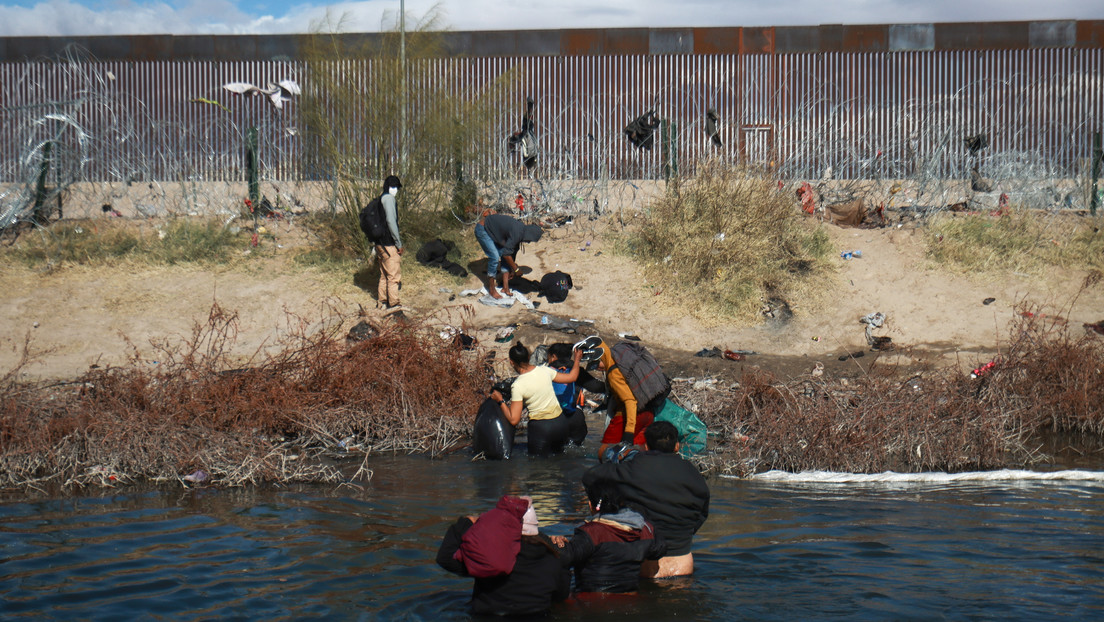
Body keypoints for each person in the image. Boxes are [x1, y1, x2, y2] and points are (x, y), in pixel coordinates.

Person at [582, 421, 710, 578]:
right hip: (683, 566)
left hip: (643, 566)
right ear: (677, 446)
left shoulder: (632, 468)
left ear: (646, 446)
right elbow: (702, 513)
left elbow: (590, 477)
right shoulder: (693, 474)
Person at [437, 495, 570, 616]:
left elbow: (445, 558)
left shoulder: (489, 556)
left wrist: (465, 522)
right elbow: (561, 596)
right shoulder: (553, 559)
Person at [556, 478, 666, 593]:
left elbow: (565, 558)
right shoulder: (645, 529)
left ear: (590, 505)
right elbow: (659, 549)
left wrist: (557, 544)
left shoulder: (591, 533)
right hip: (630, 598)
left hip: (593, 601)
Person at [490, 341, 582, 456]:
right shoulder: (545, 370)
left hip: (541, 429)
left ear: (511, 362)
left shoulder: (518, 385)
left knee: (537, 468)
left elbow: (514, 420)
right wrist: (577, 359)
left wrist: (500, 400)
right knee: (561, 462)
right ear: (529, 357)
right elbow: (572, 377)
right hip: (560, 424)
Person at [593, 339, 659, 461]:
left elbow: (630, 401)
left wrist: (629, 432)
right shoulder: (621, 362)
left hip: (628, 416)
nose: (597, 368)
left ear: (601, 358)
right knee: (639, 455)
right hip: (648, 413)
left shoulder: (613, 373)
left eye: (596, 364)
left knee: (604, 452)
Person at [475, 212, 543, 299]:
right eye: (530, 240)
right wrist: (516, 269)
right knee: (494, 257)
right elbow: (506, 255)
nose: (528, 242)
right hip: (483, 229)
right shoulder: (517, 233)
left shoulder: (520, 233)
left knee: (505, 253)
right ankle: (491, 289)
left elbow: (509, 254)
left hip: (495, 231)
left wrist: (510, 273)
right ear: (529, 235)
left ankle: (505, 287)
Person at [376, 175, 404, 311]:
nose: (397, 190)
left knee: (384, 275)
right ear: (392, 187)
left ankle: (381, 301)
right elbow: (391, 222)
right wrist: (398, 243)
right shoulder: (389, 199)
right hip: (388, 243)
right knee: (393, 276)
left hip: (379, 243)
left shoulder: (380, 199)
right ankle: (394, 304)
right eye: (396, 188)